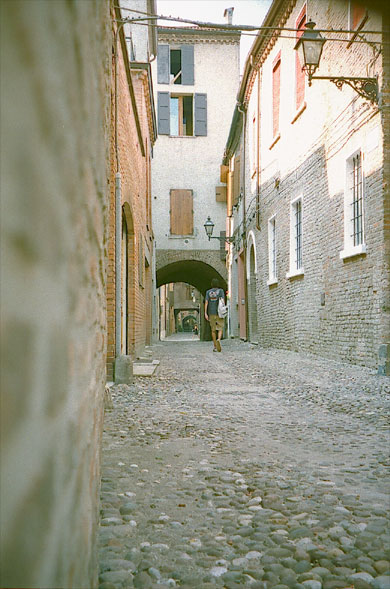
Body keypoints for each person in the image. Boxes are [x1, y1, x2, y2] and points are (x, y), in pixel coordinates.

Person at [205, 278, 225, 352]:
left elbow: (206, 302)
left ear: (211, 284)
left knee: (213, 330)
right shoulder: (221, 291)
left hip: (211, 313)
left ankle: (215, 346)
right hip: (219, 313)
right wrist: (223, 310)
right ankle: (219, 339)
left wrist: (205, 313)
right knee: (220, 328)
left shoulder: (208, 292)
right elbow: (222, 301)